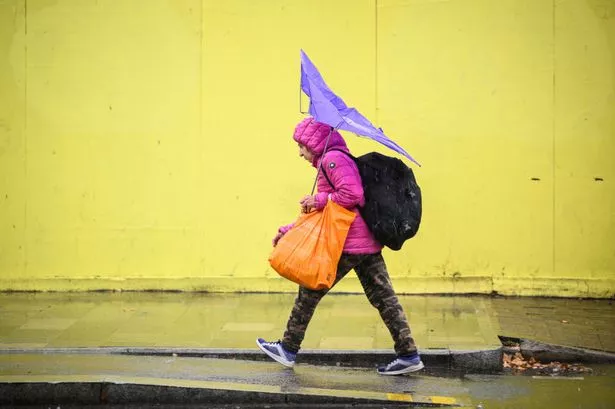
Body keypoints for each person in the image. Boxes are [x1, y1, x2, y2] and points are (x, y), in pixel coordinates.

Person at [257, 117, 424, 376]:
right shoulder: (332, 160)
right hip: (364, 242)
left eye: (302, 146)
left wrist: (319, 199)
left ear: (314, 143)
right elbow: (322, 214)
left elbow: (352, 195)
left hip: (347, 242)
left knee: (309, 291)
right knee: (384, 298)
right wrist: (289, 230)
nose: (300, 152)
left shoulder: (332, 160)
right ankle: (408, 354)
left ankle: (288, 349)